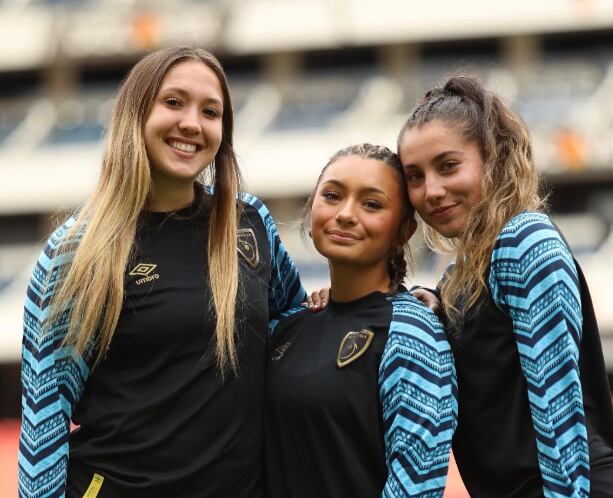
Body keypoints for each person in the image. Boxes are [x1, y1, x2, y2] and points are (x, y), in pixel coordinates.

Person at [18, 47, 306, 498]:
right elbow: (45, 413)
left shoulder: (248, 222)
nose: (192, 123)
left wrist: (385, 304)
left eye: (210, 112)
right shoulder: (78, 249)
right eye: (173, 102)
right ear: (136, 113)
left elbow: (293, 322)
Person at [397, 75, 613, 497]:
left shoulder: (523, 238)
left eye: (448, 166)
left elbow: (558, 416)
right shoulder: (460, 275)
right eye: (414, 176)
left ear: (493, 159)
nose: (431, 191)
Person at [265, 144, 457, 498]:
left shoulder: (411, 331)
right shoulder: (288, 324)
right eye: (332, 196)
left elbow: (417, 481)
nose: (346, 214)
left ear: (404, 230)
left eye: (371, 204)